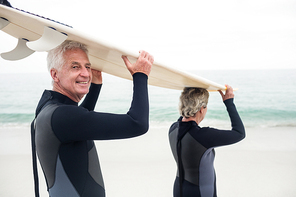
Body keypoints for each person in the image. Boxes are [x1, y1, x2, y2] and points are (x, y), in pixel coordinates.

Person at [31, 40, 153, 197]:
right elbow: (137, 123)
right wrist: (140, 75)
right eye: (75, 67)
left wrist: (95, 86)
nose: (85, 73)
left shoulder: (47, 107)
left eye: (87, 67)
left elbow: (78, 121)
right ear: (55, 74)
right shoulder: (63, 116)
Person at [168, 85, 245, 197]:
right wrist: (229, 102)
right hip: (200, 192)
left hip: (179, 189)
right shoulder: (203, 136)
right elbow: (240, 133)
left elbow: (183, 120)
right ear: (201, 109)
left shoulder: (173, 129)